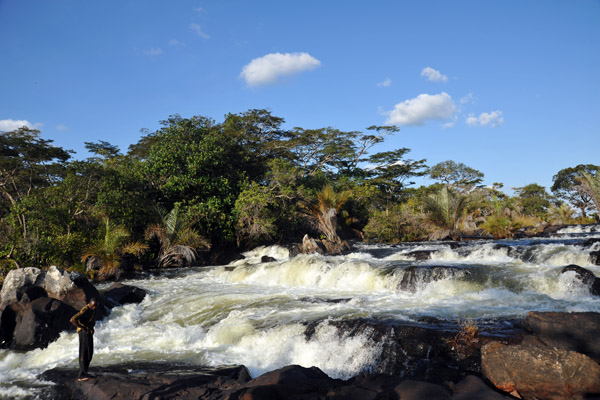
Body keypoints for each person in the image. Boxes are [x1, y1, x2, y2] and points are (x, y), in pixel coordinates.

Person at [70, 298, 97, 381]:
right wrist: (82, 328)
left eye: (95, 306)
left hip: (88, 333)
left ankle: (85, 372)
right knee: (83, 352)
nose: (95, 307)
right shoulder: (85, 309)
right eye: (94, 306)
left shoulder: (92, 310)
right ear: (90, 304)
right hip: (83, 333)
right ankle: (81, 375)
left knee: (89, 352)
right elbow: (72, 320)